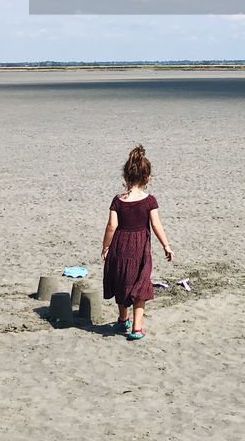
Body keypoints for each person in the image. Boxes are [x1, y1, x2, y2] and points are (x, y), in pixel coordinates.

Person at [100, 144, 173, 341]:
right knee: (140, 285)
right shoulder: (149, 201)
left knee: (121, 280)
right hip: (140, 248)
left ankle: (122, 319)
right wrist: (166, 245)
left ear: (125, 177)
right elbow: (156, 225)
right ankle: (137, 327)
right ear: (147, 178)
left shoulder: (117, 200)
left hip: (119, 245)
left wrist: (106, 246)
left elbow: (111, 226)